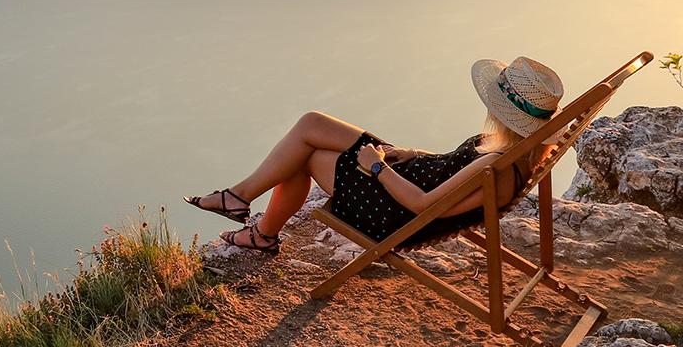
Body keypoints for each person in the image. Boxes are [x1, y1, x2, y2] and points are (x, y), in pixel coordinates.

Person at [186, 56, 563, 253]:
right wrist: (414, 153)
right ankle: (245, 208)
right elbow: (453, 167)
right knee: (312, 122)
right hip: (406, 174)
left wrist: (378, 168)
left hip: (390, 208)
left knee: (305, 155)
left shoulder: (493, 166)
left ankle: (250, 217)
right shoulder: (515, 153)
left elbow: (422, 205)